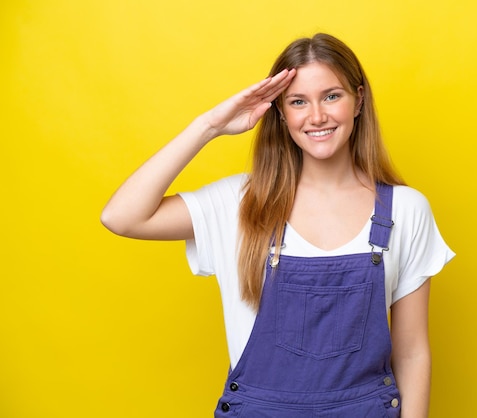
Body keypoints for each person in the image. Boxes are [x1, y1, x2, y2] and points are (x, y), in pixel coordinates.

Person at [101, 33, 454, 418]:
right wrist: (209, 126)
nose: (316, 116)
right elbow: (121, 217)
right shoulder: (240, 204)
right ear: (280, 113)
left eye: (331, 96)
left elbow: (413, 352)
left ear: (359, 100)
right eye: (298, 101)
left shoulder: (405, 209)